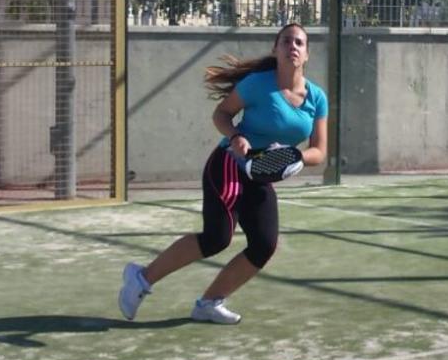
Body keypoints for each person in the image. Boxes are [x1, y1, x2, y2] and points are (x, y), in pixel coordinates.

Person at [117, 23, 328, 325]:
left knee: (264, 245)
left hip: (261, 176)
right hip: (229, 163)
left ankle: (209, 303)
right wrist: (234, 137)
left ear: (307, 54)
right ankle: (141, 277)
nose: (292, 46)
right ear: (275, 49)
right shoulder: (257, 84)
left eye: (299, 43)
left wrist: (296, 158)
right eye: (286, 41)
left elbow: (319, 150)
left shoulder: (317, 98)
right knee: (217, 237)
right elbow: (221, 114)